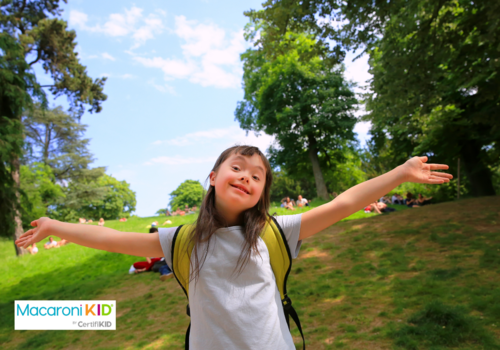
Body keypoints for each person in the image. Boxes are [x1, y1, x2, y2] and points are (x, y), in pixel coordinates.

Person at [16, 145, 452, 350]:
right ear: (213, 176)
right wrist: (58, 225)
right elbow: (112, 239)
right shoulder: (181, 240)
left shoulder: (278, 231)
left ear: (262, 194)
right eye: (237, 167)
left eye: (257, 175)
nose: (246, 176)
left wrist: (399, 172)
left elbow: (344, 203)